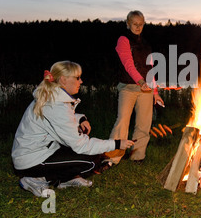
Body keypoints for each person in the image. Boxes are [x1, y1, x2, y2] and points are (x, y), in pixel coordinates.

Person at [11, 61, 134, 197]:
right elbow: (80, 145)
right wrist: (116, 144)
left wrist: (81, 118)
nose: (81, 81)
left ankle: (66, 180)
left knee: (91, 154)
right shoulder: (55, 104)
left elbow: (64, 118)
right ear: (63, 80)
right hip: (31, 159)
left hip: (40, 150)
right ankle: (35, 179)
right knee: (92, 162)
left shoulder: (53, 96)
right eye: (77, 78)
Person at [104, 10, 163, 165]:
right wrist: (141, 82)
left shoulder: (146, 45)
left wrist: (155, 92)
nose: (138, 27)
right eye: (135, 24)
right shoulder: (123, 40)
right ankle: (113, 156)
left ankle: (137, 156)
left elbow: (151, 69)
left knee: (144, 124)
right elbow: (128, 64)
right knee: (122, 121)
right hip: (128, 87)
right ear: (128, 23)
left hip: (146, 89)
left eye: (141, 24)